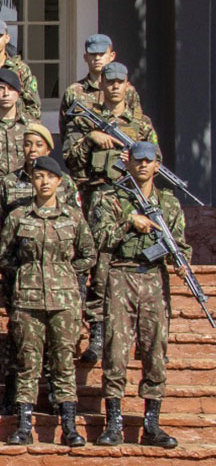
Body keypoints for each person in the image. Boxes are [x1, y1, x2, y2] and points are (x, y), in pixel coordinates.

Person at [90, 141, 189, 449]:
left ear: (158, 166)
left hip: (154, 279)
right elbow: (100, 237)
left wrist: (181, 260)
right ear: (128, 162)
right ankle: (114, 422)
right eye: (138, 160)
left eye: (150, 161)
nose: (144, 165)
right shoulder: (110, 197)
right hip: (121, 274)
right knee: (116, 349)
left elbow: (181, 243)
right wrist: (128, 221)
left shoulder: (168, 203)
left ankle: (151, 424)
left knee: (155, 350)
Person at [0, 154, 96, 448]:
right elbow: (3, 255)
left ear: (59, 182)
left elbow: (88, 254)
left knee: (64, 364)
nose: (43, 182)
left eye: (49, 177)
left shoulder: (73, 217)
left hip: (64, 301)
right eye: (38, 177)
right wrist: (26, 274)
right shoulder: (18, 216)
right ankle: (24, 425)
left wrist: (63, 272)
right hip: (27, 301)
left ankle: (69, 427)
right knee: (27, 364)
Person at [62, 61, 158, 366]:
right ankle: (78, 332)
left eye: (120, 82)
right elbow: (69, 159)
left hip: (127, 200)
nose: (115, 86)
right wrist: (90, 140)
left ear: (127, 85)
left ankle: (100, 333)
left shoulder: (141, 124)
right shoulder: (86, 121)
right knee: (87, 262)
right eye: (109, 81)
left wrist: (134, 158)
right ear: (101, 85)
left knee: (107, 269)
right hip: (92, 195)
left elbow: (156, 161)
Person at [59, 33, 141, 133]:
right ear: (85, 57)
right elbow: (66, 130)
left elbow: (138, 125)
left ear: (112, 56)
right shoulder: (74, 92)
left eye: (102, 54)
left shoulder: (127, 91)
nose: (97, 58)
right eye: (93, 54)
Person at [0, 123, 80, 216]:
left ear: (48, 150)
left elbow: (76, 217)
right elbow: (0, 220)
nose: (32, 149)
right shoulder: (9, 182)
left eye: (39, 145)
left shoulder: (63, 181)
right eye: (27, 145)